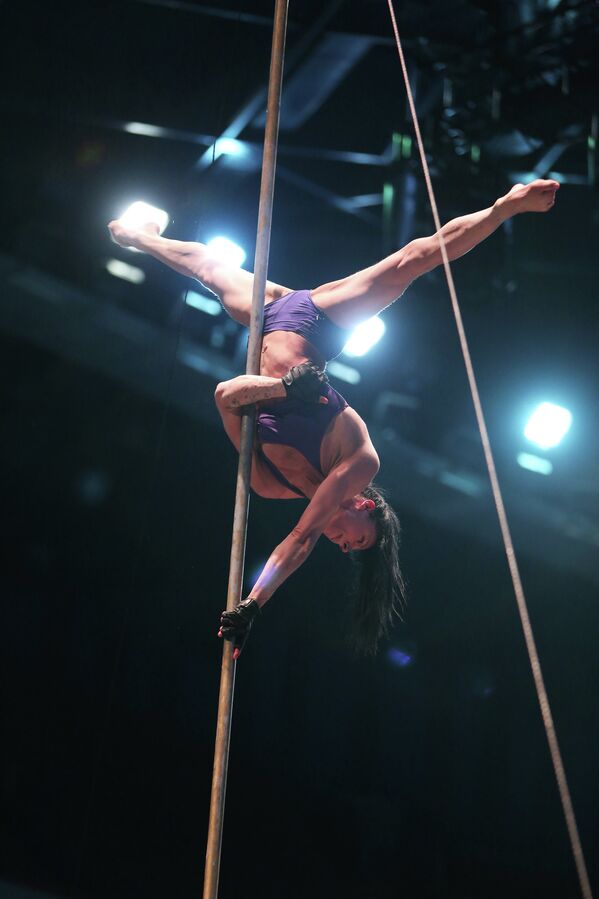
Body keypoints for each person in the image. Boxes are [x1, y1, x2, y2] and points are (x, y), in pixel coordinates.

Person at [108, 178, 559, 657]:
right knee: (412, 262)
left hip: (270, 317)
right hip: (320, 324)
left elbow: (226, 395)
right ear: (364, 505)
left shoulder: (268, 483)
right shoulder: (360, 462)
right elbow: (301, 537)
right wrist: (254, 604)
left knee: (207, 270)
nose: (341, 543)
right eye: (355, 539)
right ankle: (505, 206)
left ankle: (137, 234)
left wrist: (283, 388)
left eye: (346, 549)